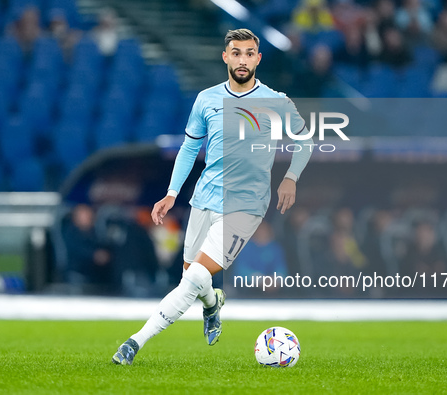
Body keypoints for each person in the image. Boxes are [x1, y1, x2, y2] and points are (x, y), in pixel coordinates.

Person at [112, 28, 313, 365]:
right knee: (192, 277)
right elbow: (190, 148)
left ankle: (134, 343)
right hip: (204, 198)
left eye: (249, 53)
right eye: (236, 53)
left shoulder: (276, 101)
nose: (243, 59)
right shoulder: (206, 99)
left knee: (193, 277)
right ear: (226, 57)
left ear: (258, 58)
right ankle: (212, 304)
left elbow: (305, 141)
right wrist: (172, 193)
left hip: (246, 205)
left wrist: (291, 177)